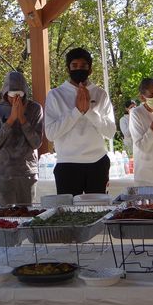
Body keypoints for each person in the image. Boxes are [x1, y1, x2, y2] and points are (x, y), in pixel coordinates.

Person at [45, 47, 116, 195]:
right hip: (67, 164)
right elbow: (50, 134)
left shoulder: (100, 94)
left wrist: (89, 111)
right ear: (68, 69)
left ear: (90, 70)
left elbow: (110, 132)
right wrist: (77, 112)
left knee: (98, 207)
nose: (79, 69)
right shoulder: (55, 95)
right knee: (68, 210)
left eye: (83, 66)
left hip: (97, 163)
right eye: (74, 65)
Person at [0, 71, 43, 205]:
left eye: (19, 95)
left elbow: (36, 143)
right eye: (12, 95)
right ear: (5, 93)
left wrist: (23, 119)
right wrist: (11, 120)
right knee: (8, 215)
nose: (15, 99)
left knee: (27, 213)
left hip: (27, 172)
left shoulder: (34, 109)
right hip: (3, 173)